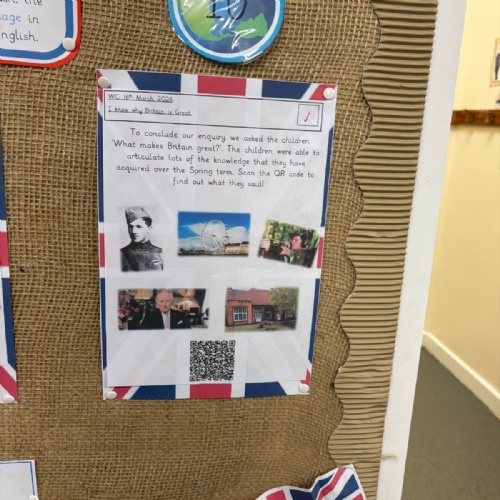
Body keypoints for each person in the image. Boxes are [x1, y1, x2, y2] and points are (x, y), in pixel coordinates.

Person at [120, 207, 163, 272]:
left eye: (139, 226)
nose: (134, 231)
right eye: (130, 227)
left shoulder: (160, 253)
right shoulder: (122, 253)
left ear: (149, 228)